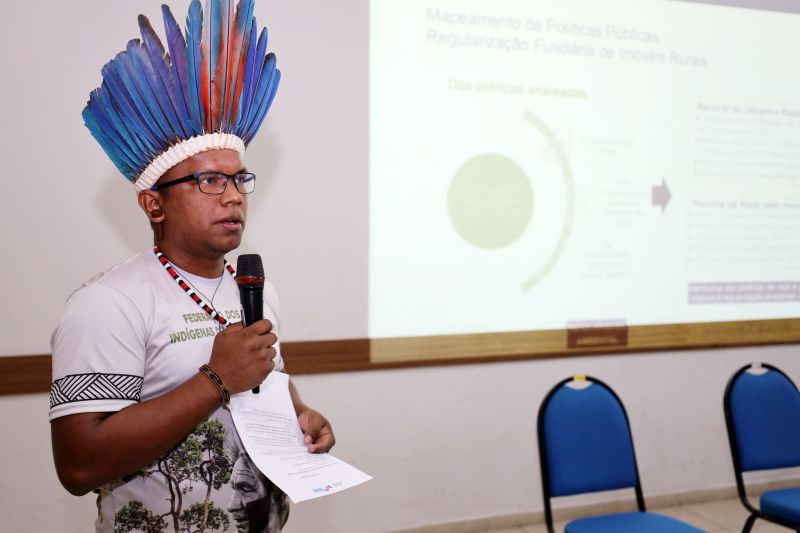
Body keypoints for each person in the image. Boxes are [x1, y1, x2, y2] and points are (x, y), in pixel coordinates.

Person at [48, 2, 334, 532]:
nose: (232, 197)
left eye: (238, 180)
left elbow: (261, 379)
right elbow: (79, 464)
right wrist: (215, 379)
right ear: (153, 204)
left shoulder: (255, 289)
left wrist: (297, 415)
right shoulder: (108, 305)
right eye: (208, 181)